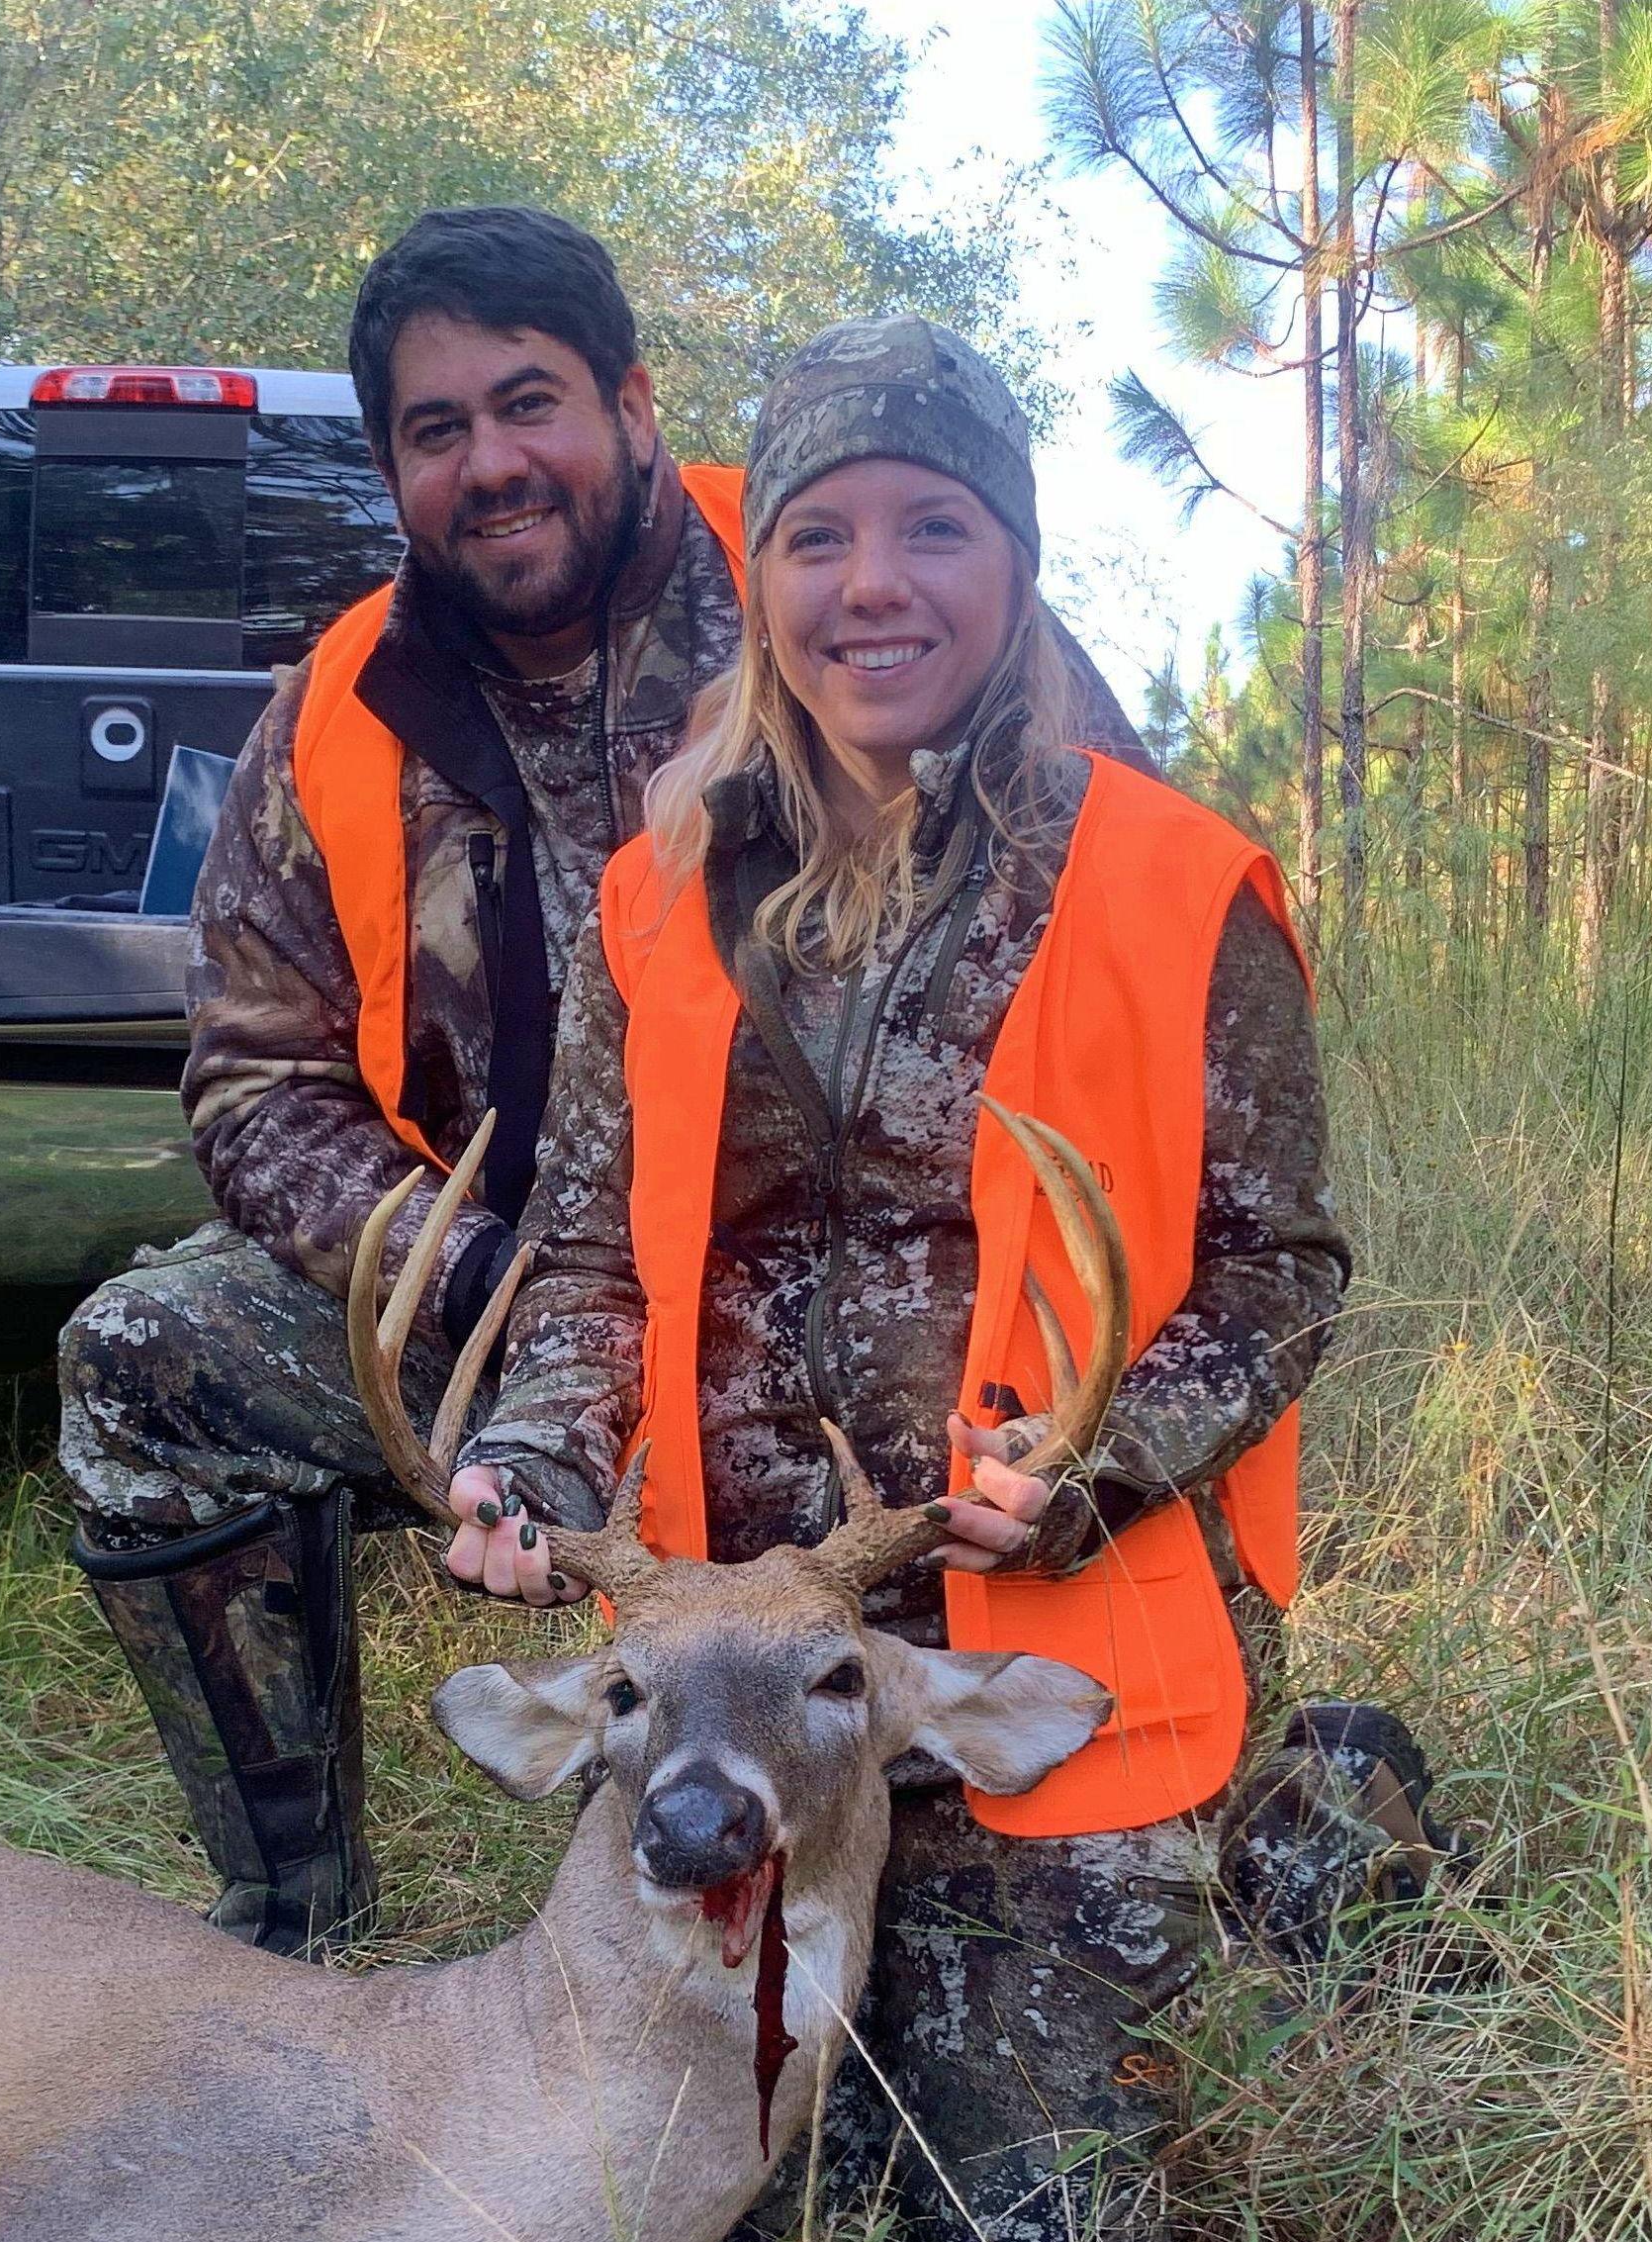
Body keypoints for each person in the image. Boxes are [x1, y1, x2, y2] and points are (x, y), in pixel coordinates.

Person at [58, 213, 1147, 1957]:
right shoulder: (338, 713)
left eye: (529, 402)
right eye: (437, 430)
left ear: (631, 404)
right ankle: (292, 1909)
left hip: (859, 1307)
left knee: (958, 1950)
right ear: (393, 462)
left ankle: (1126, 1813)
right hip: (526, 1302)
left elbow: (1115, 919)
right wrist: (487, 1289)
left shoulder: (837, 578)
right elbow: (254, 1076)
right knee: (140, 1362)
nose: (493, 463)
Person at [451, 318, 1351, 2242]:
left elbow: (1282, 1266)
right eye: (818, 537)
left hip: (1041, 1675)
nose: (874, 586)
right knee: (668, 2228)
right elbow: (595, 1255)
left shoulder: (1174, 883)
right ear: (757, 580)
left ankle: (1321, 1795)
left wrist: (1099, 1462)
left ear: (1013, 560)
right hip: (741, 1677)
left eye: (934, 528)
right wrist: (530, 1453)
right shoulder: (657, 894)